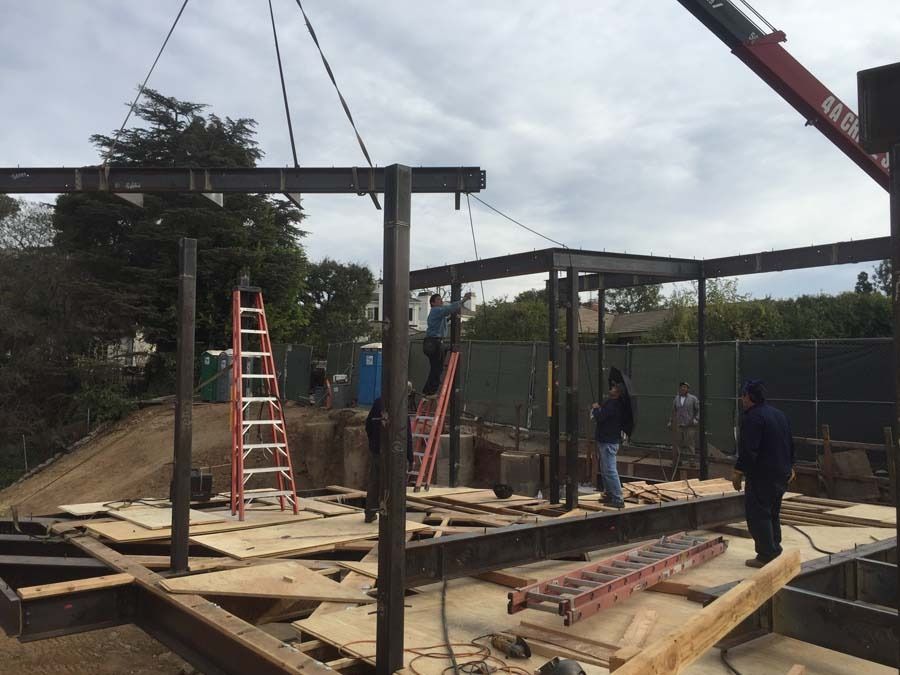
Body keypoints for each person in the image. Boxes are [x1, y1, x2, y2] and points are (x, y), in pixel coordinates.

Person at [732, 379, 796, 568]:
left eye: (743, 395)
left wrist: (738, 471)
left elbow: (749, 449)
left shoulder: (752, 418)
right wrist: (790, 465)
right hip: (781, 474)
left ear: (749, 396)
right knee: (773, 512)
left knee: (759, 514)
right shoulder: (779, 415)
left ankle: (766, 554)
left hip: (762, 475)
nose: (742, 399)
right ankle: (774, 548)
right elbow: (789, 443)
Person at [363, 384, 415, 523]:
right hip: (395, 454)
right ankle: (392, 516)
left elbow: (368, 424)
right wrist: (411, 458)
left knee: (375, 481)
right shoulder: (401, 408)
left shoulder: (378, 402)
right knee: (395, 484)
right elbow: (407, 435)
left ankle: (370, 513)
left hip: (378, 451)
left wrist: (373, 443)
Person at [422, 291, 472, 396]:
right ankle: (430, 391)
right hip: (434, 343)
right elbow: (448, 309)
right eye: (439, 300)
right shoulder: (436, 310)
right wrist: (463, 300)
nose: (441, 301)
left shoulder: (437, 314)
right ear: (433, 303)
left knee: (435, 367)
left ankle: (428, 390)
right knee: (437, 368)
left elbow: (445, 317)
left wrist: (450, 317)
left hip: (432, 343)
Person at [591, 384, 626, 509]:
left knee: (610, 470)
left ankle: (618, 498)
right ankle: (609, 494)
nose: (611, 388)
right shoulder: (613, 404)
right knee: (605, 469)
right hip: (607, 440)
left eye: (613, 388)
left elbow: (600, 417)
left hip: (608, 441)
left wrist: (596, 409)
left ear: (617, 392)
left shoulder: (613, 404)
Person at [668, 381, 700, 464]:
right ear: (679, 388)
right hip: (678, 425)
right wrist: (670, 421)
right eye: (682, 387)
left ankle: (691, 461)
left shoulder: (693, 398)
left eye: (685, 387)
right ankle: (678, 461)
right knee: (677, 444)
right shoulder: (676, 399)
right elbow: (673, 411)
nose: (683, 388)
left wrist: (696, 419)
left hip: (689, 425)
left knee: (690, 444)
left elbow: (698, 410)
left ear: (688, 389)